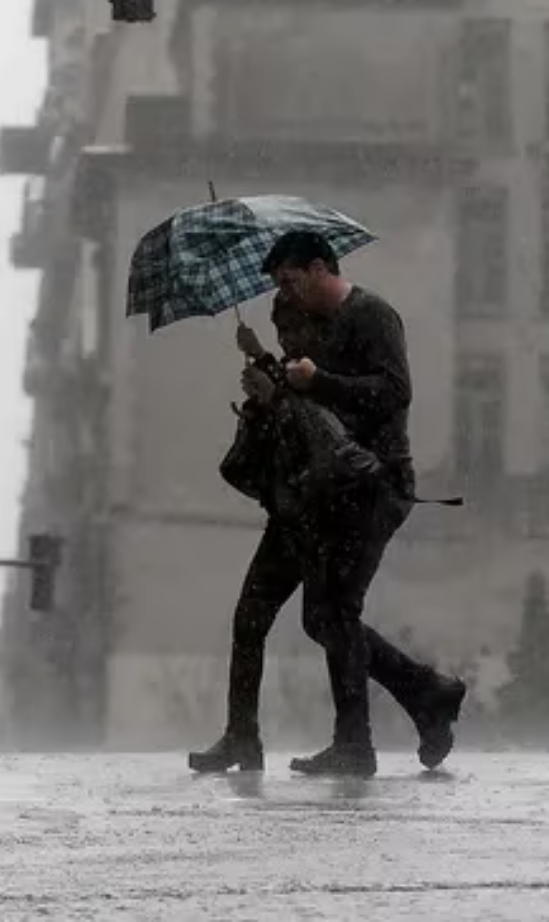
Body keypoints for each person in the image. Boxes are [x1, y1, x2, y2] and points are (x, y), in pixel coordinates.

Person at [189, 299, 463, 775]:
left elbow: (323, 427)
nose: (286, 335)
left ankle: (385, 721)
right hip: (293, 511)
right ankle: (243, 736)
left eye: (291, 325)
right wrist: (259, 372)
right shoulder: (294, 368)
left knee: (330, 619)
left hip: (323, 511)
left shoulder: (330, 363)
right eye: (280, 328)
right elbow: (284, 419)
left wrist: (275, 393)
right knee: (256, 618)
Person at [262, 229, 465, 778]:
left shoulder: (373, 314)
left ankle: (360, 741)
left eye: (291, 280)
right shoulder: (321, 330)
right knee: (324, 615)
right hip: (339, 487)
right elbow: (323, 410)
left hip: (377, 483)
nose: (288, 293)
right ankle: (426, 693)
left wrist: (318, 379)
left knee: (334, 612)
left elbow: (394, 392)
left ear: (320, 267)